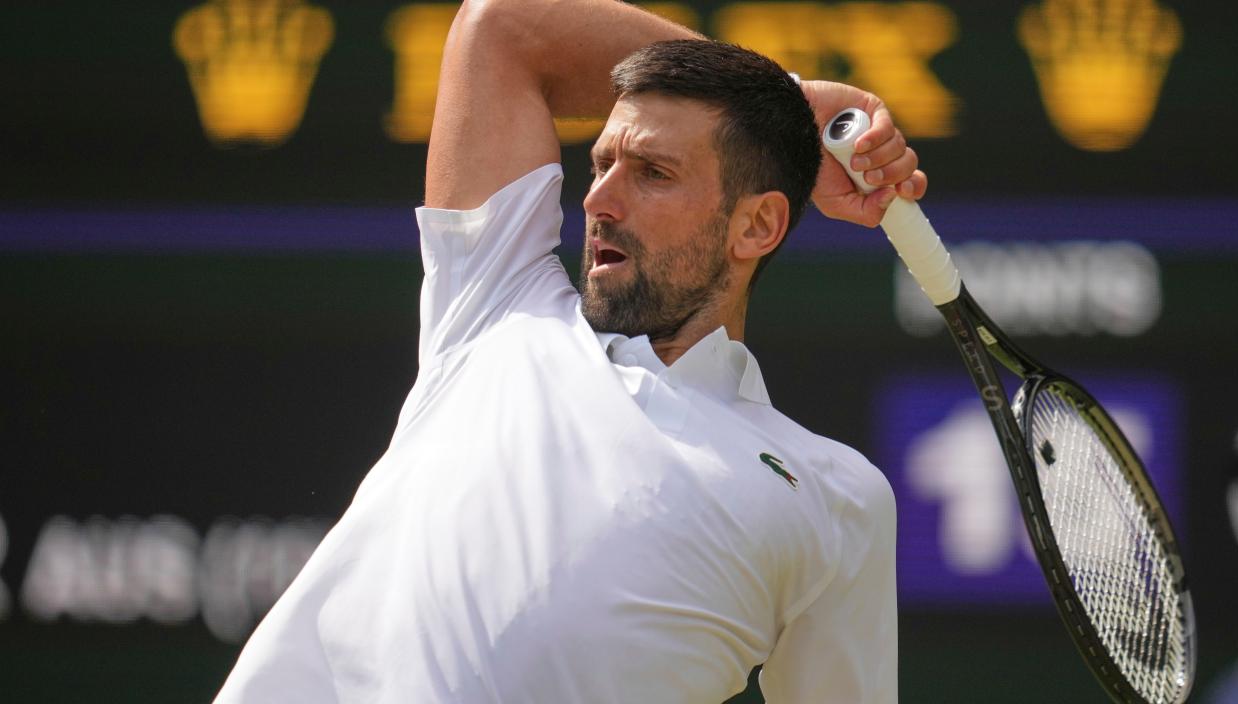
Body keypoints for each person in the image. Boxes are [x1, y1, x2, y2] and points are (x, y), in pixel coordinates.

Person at [215, 0, 926, 701]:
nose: (599, 200)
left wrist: (772, 123)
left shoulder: (836, 499)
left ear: (757, 226)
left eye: (653, 173)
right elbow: (501, 24)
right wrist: (788, 103)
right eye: (601, 164)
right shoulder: (496, 302)